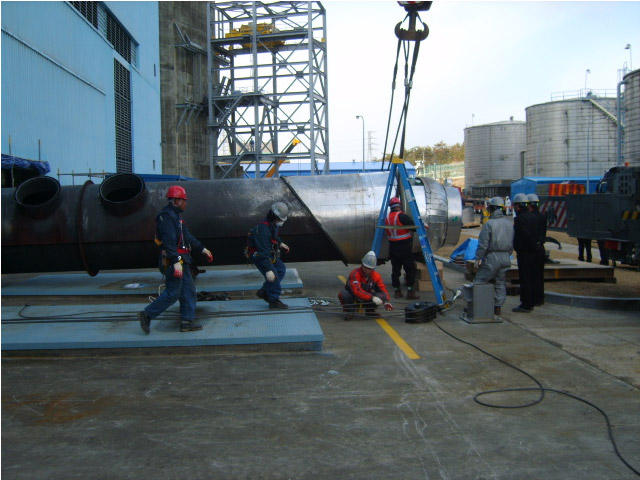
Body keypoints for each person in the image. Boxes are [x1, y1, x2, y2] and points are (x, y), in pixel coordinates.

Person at [138, 185, 213, 334]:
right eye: (184, 200)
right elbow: (169, 242)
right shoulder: (166, 217)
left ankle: (186, 322)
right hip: (174, 260)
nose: (186, 203)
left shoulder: (177, 218)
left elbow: (187, 236)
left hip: (182, 259)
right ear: (176, 200)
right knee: (173, 293)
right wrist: (176, 261)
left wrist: (202, 249)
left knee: (189, 291)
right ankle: (147, 314)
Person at [473, 196, 514, 316]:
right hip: (506, 257)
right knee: (500, 282)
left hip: (492, 257)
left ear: (491, 208)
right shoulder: (509, 224)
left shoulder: (489, 224)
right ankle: (498, 307)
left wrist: (478, 258)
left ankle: (478, 307)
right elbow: (512, 242)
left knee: (479, 281)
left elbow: (483, 244)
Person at [248, 202, 291, 309]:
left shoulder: (272, 224)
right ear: (275, 217)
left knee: (281, 269)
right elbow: (263, 251)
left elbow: (273, 237)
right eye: (280, 219)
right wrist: (268, 270)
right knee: (274, 275)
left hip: (267, 253)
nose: (281, 222)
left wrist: (280, 243)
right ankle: (273, 301)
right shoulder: (263, 229)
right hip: (259, 255)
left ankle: (264, 291)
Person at [338, 251, 393, 320]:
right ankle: (350, 311)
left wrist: (386, 301)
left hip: (367, 297)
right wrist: (372, 298)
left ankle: (370, 310)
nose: (366, 270)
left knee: (380, 296)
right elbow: (357, 291)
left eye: (369, 269)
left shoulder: (376, 276)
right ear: (362, 265)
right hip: (353, 296)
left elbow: (383, 290)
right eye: (365, 267)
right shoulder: (355, 274)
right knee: (343, 294)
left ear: (372, 269)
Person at [512, 193, 541, 313]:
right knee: (532, 277)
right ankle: (532, 301)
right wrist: (535, 246)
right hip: (534, 252)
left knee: (525, 279)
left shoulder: (519, 219)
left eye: (515, 205)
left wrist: (530, 245)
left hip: (525, 252)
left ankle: (526, 304)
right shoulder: (533, 217)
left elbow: (525, 235)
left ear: (518, 206)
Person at [385, 197, 419, 299]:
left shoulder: (387, 218)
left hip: (393, 247)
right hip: (404, 247)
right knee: (410, 269)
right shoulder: (402, 216)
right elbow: (414, 228)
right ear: (399, 205)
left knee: (395, 270)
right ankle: (410, 292)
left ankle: (397, 291)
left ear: (390, 207)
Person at [528, 193, 547, 306]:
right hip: (541, 248)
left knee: (531, 275)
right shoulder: (542, 216)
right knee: (540, 275)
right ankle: (540, 298)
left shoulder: (530, 218)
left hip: (532, 249)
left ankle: (533, 298)